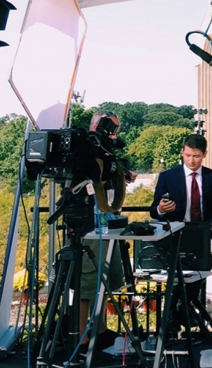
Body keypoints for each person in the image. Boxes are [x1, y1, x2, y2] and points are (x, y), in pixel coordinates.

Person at [148, 133, 212, 332]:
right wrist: (162, 209)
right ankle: (181, 310)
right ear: (182, 152)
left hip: (203, 233)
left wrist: (205, 230)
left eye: (196, 156)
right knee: (179, 272)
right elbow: (153, 210)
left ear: (204, 154)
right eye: (188, 155)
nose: (192, 160)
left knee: (200, 268)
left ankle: (174, 310)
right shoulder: (168, 177)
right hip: (175, 233)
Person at [78, 110, 131, 352]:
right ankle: (81, 336)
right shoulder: (88, 149)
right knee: (88, 284)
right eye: (112, 129)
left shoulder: (106, 152)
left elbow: (110, 176)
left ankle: (99, 330)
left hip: (107, 224)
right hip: (90, 227)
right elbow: (91, 179)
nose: (115, 135)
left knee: (105, 280)